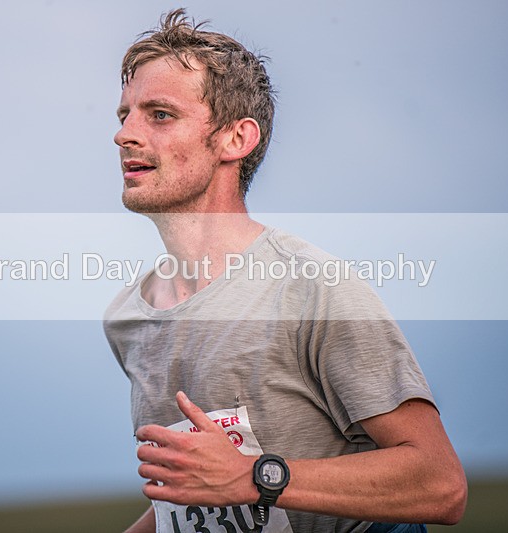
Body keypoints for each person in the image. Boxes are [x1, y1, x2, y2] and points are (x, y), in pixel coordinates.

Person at [103, 9, 467, 533]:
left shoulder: (312, 289)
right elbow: (198, 497)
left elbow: (440, 484)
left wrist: (255, 478)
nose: (125, 135)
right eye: (125, 115)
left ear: (236, 139)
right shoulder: (127, 317)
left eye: (160, 114)